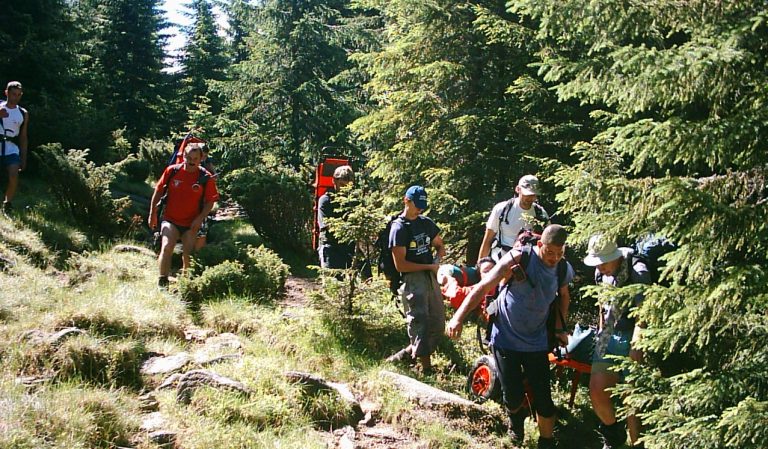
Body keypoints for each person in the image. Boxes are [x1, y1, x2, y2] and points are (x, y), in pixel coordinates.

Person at [447, 224, 573, 449]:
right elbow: (484, 286)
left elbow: (564, 296)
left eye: (559, 253)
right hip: (505, 337)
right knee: (512, 395)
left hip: (537, 341)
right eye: (550, 252)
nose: (554, 258)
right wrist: (458, 317)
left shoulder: (563, 268)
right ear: (540, 245)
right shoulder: (518, 258)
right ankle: (516, 429)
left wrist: (559, 329)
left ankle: (546, 442)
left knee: (544, 399)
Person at [583, 235, 649, 449]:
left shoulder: (637, 270)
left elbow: (645, 312)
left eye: (604, 262)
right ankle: (614, 438)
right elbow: (602, 305)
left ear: (616, 256)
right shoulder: (600, 273)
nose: (600, 267)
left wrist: (637, 344)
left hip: (633, 338)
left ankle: (636, 444)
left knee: (631, 400)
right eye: (597, 263)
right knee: (597, 389)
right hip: (609, 337)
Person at [386, 185, 446, 374]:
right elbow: (401, 265)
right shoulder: (399, 228)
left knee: (437, 322)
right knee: (420, 320)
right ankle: (426, 369)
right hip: (412, 278)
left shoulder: (426, 223)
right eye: (416, 205)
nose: (419, 209)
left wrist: (436, 260)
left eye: (422, 206)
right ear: (406, 200)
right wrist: (429, 266)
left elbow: (439, 244)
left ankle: (408, 353)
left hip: (430, 277)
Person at [148, 143, 219, 287]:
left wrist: (200, 219)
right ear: (183, 156)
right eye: (188, 157)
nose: (191, 161)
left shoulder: (206, 177)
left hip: (191, 223)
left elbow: (211, 201)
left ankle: (186, 283)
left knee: (188, 255)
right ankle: (162, 281)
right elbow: (158, 191)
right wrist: (152, 213)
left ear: (201, 159)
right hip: (170, 220)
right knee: (167, 247)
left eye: (195, 158)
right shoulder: (172, 171)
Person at [478, 174, 550, 262]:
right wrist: (480, 265)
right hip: (500, 260)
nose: (530, 198)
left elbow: (548, 242)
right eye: (527, 194)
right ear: (518, 189)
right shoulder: (501, 209)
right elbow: (487, 240)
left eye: (533, 195)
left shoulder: (540, 213)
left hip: (527, 263)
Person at [316, 165, 356, 269]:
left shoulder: (353, 202)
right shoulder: (325, 200)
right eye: (342, 185)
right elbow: (326, 225)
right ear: (334, 181)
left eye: (348, 186)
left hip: (347, 250)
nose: (344, 189)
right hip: (330, 248)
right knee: (331, 282)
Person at [0, 81, 29, 213]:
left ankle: (7, 203)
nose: (15, 97)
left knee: (13, 175)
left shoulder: (23, 113)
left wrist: (23, 158)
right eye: (13, 94)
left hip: (11, 148)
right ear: (7, 93)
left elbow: (23, 137)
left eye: (18, 95)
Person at [193, 143, 216, 251]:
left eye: (205, 156)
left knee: (201, 227)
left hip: (202, 200)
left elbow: (213, 173)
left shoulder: (206, 162)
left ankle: (198, 253)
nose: (204, 158)